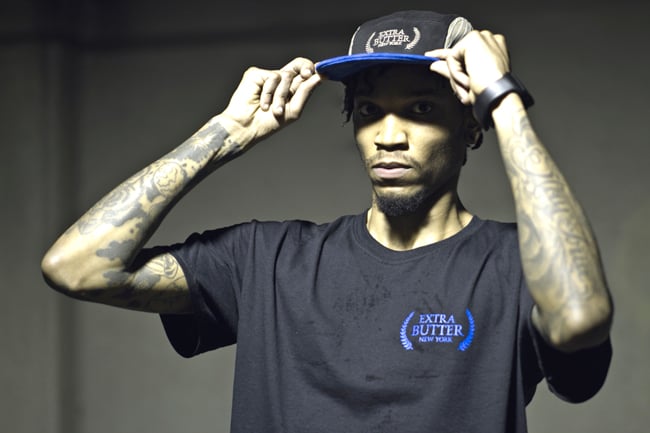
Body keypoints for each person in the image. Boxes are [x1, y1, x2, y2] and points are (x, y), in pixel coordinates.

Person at [41, 10, 613, 433]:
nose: (389, 136)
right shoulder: (266, 261)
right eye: (370, 111)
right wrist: (223, 134)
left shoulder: (516, 265)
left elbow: (580, 316)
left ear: (470, 127)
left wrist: (502, 101)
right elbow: (77, 267)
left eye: (421, 109)